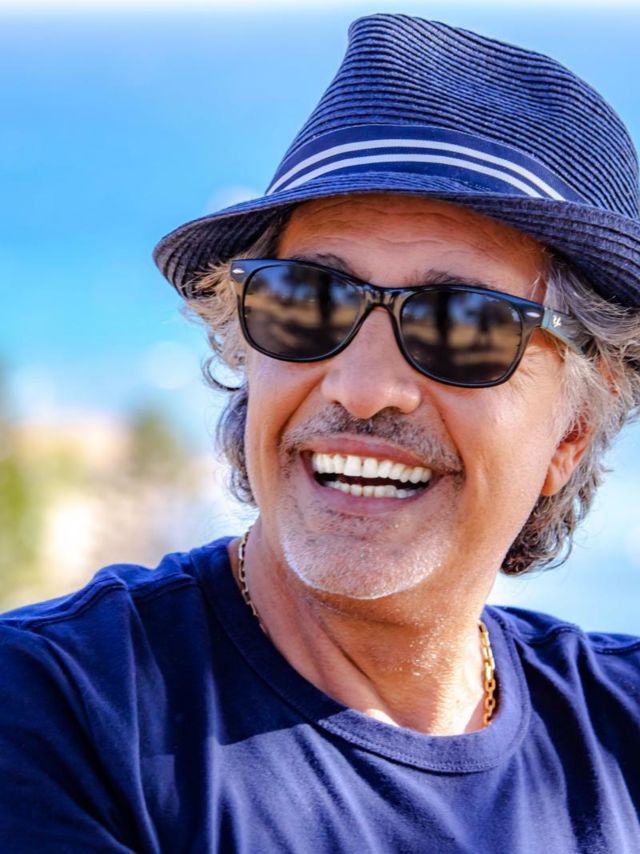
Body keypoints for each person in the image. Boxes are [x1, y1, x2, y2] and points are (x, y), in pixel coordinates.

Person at [1, 13, 639, 853]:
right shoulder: (56, 713)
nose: (362, 388)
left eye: (465, 326)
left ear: (573, 431)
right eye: (306, 303)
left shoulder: (621, 727)